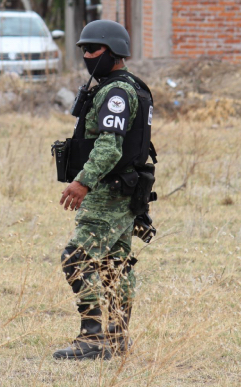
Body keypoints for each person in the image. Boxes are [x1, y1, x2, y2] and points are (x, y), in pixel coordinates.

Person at [52, 20, 157, 360]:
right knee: (115, 264)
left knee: (77, 258)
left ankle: (93, 341)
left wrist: (83, 181)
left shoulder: (116, 92)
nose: (86, 54)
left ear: (112, 52)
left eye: (93, 49)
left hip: (110, 191)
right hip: (127, 189)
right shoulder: (130, 87)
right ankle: (116, 338)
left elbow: (110, 148)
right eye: (83, 48)